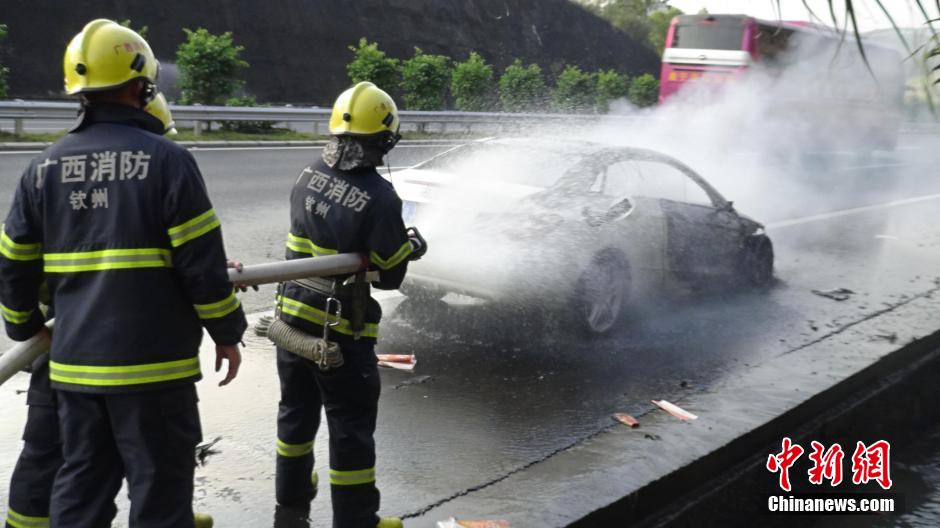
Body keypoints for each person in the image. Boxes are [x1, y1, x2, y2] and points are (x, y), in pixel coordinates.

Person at [0, 19, 246, 528]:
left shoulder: (42, 168)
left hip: (74, 372)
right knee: (159, 494)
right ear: (142, 86)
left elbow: (14, 265)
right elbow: (202, 267)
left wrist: (25, 330)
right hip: (156, 373)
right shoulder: (169, 161)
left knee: (81, 489)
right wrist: (228, 332)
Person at [272, 81, 426, 528]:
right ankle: (357, 520)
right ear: (383, 140)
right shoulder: (379, 198)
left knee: (295, 417)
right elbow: (391, 275)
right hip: (339, 337)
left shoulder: (306, 173)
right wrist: (409, 247)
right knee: (350, 432)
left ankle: (292, 496)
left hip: (290, 322)